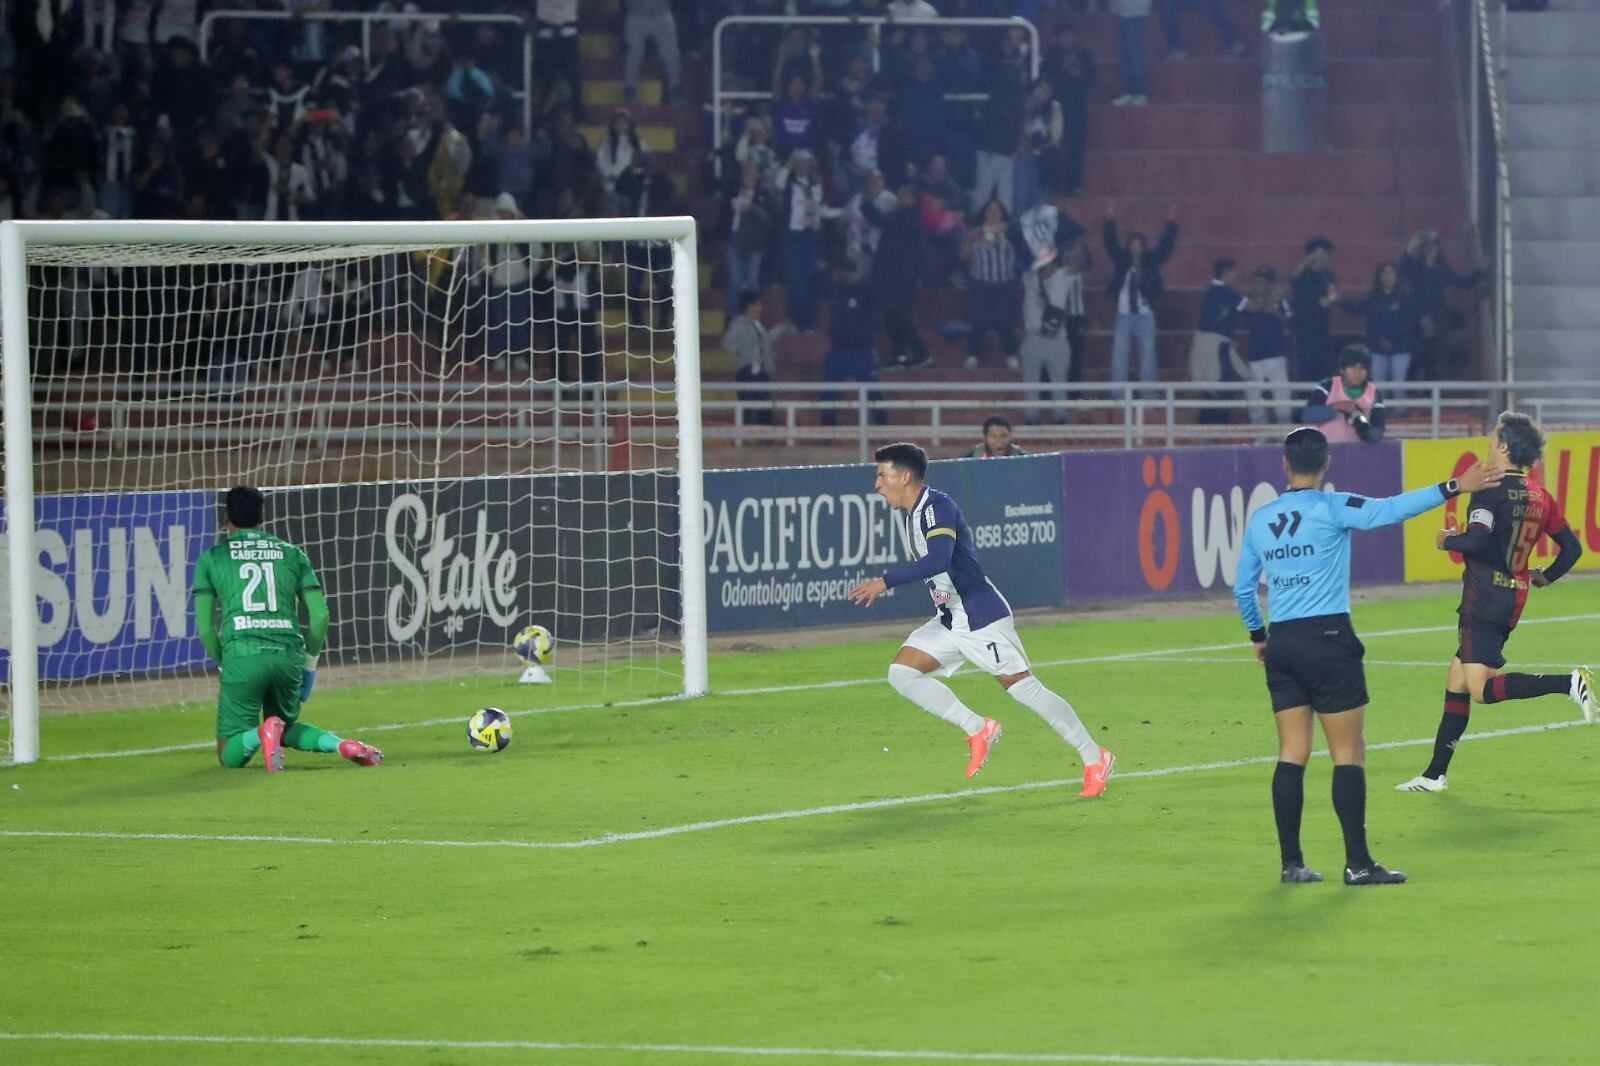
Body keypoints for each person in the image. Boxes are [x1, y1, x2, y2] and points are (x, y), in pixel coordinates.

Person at [1232, 429, 1503, 884]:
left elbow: (1242, 588)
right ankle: (1357, 863)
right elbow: (1391, 509)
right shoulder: (1334, 507)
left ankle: (1291, 863)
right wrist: (1455, 486)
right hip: (1328, 637)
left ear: (1284, 465)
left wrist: (1260, 637)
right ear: (1327, 464)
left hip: (1283, 643)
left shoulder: (1261, 520)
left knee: (1292, 752)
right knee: (1348, 752)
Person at [848, 443, 1115, 794]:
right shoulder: (914, 513)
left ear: (904, 476)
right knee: (902, 673)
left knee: (1024, 689)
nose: (877, 484)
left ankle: (1094, 756)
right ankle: (978, 728)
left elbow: (940, 558)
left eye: (882, 475)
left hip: (979, 617)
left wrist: (884, 582)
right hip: (951, 619)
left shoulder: (936, 506)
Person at [1396, 413, 1596, 793]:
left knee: (1479, 689)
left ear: (1503, 446)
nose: (1489, 440)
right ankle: (1434, 774)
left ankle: (1568, 682)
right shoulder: (1541, 496)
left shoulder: (1488, 490)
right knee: (1456, 680)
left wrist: (1444, 541)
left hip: (1484, 597)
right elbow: (1572, 548)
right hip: (1512, 596)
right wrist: (1546, 576)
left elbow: (1475, 542)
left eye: (1493, 436)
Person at [193, 486, 382, 772]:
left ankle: (261, 733)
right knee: (287, 726)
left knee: (228, 753)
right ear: (262, 518)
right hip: (288, 655)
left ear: (227, 518)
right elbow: (319, 616)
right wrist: (309, 666)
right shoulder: (292, 554)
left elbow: (206, 630)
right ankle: (342, 745)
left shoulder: (212, 558)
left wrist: (225, 662)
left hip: (243, 653)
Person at [1104, 203, 1179, 395]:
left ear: (1144, 248)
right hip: (1124, 315)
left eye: (1139, 246)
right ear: (1129, 247)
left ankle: (1149, 394)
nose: (1135, 249)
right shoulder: (1122, 260)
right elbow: (1110, 245)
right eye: (1132, 245)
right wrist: (1109, 221)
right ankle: (1117, 394)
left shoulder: (1151, 261)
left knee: (1147, 356)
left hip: (1145, 315)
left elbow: (1165, 247)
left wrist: (1171, 223)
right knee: (1119, 356)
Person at [961, 198, 1020, 370]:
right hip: (981, 283)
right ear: (984, 214)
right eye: (989, 210)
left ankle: (1010, 354)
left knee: (1004, 321)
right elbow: (963, 255)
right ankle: (972, 355)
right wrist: (971, 242)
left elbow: (1022, 249)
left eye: (996, 210)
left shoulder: (1011, 230)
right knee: (978, 320)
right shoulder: (975, 232)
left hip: (1005, 284)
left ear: (1002, 213)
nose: (993, 213)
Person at [1338, 261, 1414, 388]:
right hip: (1377, 348)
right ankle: (1380, 408)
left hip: (1401, 348)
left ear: (1396, 276)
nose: (1388, 277)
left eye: (1391, 273)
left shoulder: (1405, 298)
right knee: (1378, 387)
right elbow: (1354, 308)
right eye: (1384, 273)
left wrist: (1393, 340)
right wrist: (1338, 300)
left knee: (1399, 385)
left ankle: (1400, 409)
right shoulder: (1372, 297)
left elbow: (1409, 324)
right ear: (1379, 277)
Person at [723, 290, 789, 427]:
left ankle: (764, 441)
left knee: (765, 410)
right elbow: (728, 344)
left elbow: (765, 340)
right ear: (749, 306)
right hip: (747, 372)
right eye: (758, 304)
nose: (761, 308)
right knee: (748, 409)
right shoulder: (738, 325)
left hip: (761, 371)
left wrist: (780, 329)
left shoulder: (757, 324)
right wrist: (746, 353)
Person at [1021, 256, 1075, 425]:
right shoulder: (1030, 279)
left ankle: (1060, 416)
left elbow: (1080, 263)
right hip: (1033, 337)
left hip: (1057, 338)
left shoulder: (1062, 277)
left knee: (1059, 380)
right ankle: (1031, 417)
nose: (1044, 267)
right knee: (1031, 381)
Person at [1240, 266, 1294, 424]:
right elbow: (1244, 312)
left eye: (1262, 283)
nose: (1258, 286)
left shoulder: (1282, 302)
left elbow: (1289, 322)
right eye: (1256, 283)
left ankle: (1285, 431)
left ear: (1269, 285)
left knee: (1281, 394)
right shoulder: (1248, 301)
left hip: (1276, 355)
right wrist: (1267, 304)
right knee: (1253, 396)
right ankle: (1259, 433)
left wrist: (1274, 310)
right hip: (1254, 356)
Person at [1300, 344, 1385, 443]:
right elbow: (1308, 415)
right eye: (1352, 367)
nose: (1357, 372)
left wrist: (1363, 429)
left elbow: (1378, 430)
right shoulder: (1328, 386)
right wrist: (1338, 406)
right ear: (1342, 369)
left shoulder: (1373, 393)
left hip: (1357, 454)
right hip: (1326, 451)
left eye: (1362, 368)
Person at [1290, 235, 1338, 380]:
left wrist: (1328, 299)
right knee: (1304, 370)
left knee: (1323, 370)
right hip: (1303, 331)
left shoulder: (1328, 275)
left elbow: (1332, 295)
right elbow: (1293, 276)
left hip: (1322, 330)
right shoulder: (1303, 275)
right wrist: (1310, 258)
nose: (1329, 258)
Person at [958, 415, 1027, 458]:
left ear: (1010, 436)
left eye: (1004, 435)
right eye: (994, 436)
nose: (999, 440)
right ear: (985, 438)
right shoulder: (971, 456)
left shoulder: (1022, 457)